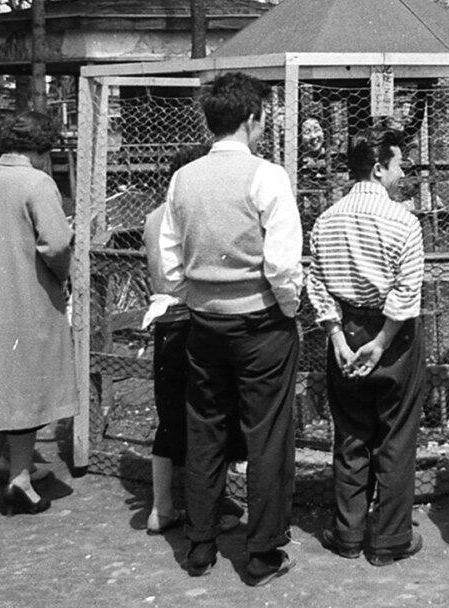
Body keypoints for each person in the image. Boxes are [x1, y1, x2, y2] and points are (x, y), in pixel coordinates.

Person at [159, 71, 304, 586]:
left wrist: (197, 295)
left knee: (205, 428)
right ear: (252, 118)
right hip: (261, 321)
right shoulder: (268, 176)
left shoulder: (183, 178)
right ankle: (262, 552)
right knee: (267, 435)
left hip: (204, 322)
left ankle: (200, 544)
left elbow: (170, 261)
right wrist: (288, 308)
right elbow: (282, 264)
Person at [306, 127, 426, 567]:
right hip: (392, 336)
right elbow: (407, 290)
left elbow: (317, 283)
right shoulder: (403, 221)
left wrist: (337, 336)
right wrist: (382, 342)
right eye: (397, 165)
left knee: (351, 431)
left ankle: (348, 532)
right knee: (396, 434)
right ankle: (391, 538)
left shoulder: (326, 220)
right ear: (378, 168)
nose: (402, 173)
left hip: (346, 329)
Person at [0, 111, 76, 515]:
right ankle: (21, 480)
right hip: (29, 296)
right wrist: (64, 274)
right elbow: (56, 244)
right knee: (27, 388)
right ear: (39, 150)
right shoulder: (37, 182)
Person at [141, 144, 245, 537]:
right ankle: (209, 508)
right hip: (195, 318)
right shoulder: (195, 213)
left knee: (169, 417)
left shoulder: (153, 217)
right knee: (209, 413)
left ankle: (161, 507)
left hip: (164, 321)